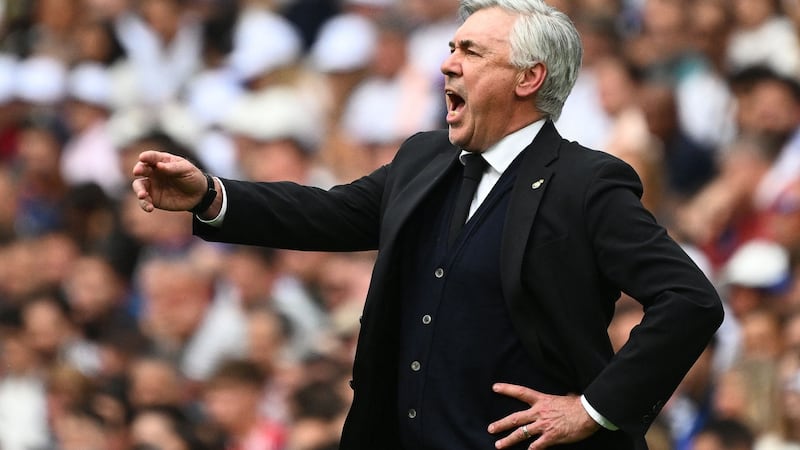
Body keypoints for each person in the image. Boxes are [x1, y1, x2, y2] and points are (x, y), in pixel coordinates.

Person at [132, 1, 723, 449]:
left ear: (528, 78)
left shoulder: (587, 184)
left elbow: (689, 300)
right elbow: (328, 213)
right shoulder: (424, 158)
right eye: (450, 47)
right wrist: (211, 194)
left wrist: (592, 409)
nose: (447, 64)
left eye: (470, 52)